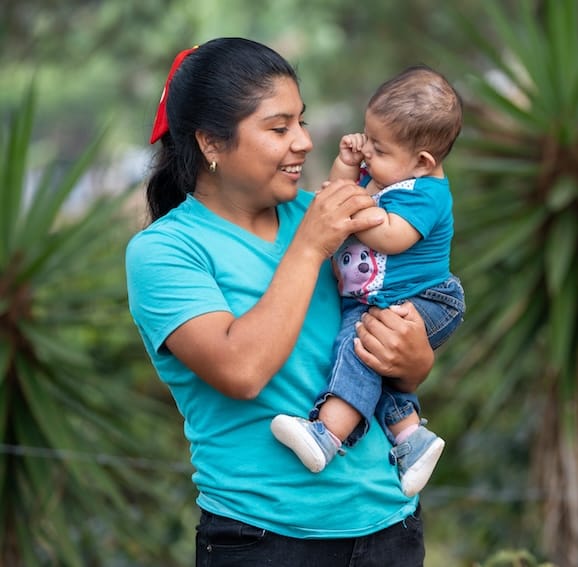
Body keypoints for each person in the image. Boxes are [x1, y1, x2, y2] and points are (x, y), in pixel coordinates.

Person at [125, 37, 437, 566]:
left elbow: (380, 340)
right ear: (211, 144)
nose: (304, 143)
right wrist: (311, 245)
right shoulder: (164, 252)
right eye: (278, 128)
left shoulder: (327, 218)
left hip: (389, 528)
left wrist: (414, 361)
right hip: (264, 541)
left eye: (302, 121)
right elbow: (242, 370)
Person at [270, 65, 465, 498]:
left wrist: (354, 210)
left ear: (422, 161)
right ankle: (411, 439)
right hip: (383, 299)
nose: (368, 151)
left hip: (426, 298)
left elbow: (393, 237)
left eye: (378, 146)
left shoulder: (426, 192)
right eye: (367, 137)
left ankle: (328, 433)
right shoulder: (381, 177)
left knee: (358, 347)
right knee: (374, 361)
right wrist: (346, 165)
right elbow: (334, 199)